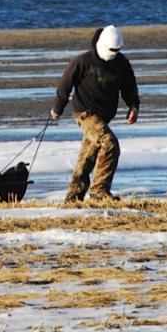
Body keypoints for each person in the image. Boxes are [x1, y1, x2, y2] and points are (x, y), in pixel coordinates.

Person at [50, 25, 140, 203]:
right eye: (111, 49)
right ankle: (99, 190)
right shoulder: (82, 61)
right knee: (109, 142)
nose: (114, 53)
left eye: (117, 50)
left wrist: (133, 106)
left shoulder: (121, 63)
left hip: (104, 115)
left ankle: (74, 196)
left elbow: (129, 85)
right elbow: (65, 85)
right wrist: (57, 108)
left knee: (89, 154)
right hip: (85, 112)